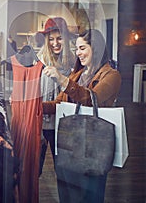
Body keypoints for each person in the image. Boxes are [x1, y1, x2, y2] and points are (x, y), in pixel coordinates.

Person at [42, 28, 122, 203]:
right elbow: (59, 104)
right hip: (69, 144)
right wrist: (34, 107)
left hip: (93, 147)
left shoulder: (111, 75)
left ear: (97, 48)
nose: (78, 53)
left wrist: (62, 80)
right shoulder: (78, 74)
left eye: (83, 48)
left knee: (89, 195)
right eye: (77, 49)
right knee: (67, 193)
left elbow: (90, 99)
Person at [37, 17, 75, 176]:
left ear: (65, 39)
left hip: (62, 123)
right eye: (51, 39)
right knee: (34, 169)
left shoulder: (73, 61)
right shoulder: (39, 60)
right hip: (40, 120)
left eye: (59, 38)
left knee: (63, 169)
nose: (55, 43)